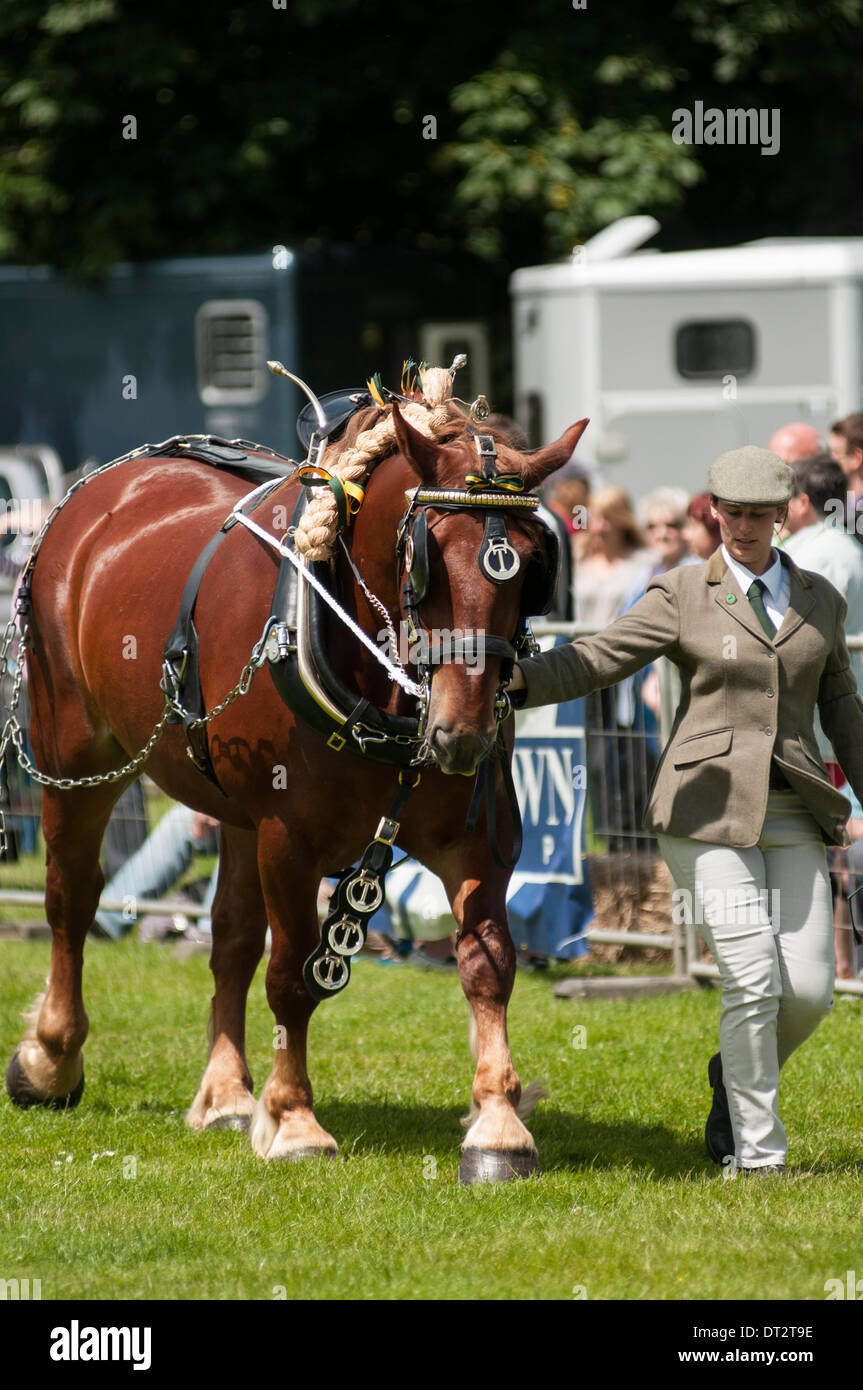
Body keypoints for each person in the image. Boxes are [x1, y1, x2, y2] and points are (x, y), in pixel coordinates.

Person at [508, 446, 863, 1176]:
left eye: (758, 514)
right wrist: (512, 681)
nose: (743, 527)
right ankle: (759, 1155)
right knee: (750, 977)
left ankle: (730, 1080)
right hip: (701, 811)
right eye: (730, 513)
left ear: (785, 513)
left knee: (806, 991)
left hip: (793, 806)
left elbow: (841, 707)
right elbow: (597, 657)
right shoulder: (680, 593)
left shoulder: (820, 598)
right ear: (713, 512)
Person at [782, 451, 863, 978]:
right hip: (827, 714)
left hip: (823, 717)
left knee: (841, 841)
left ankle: (842, 965)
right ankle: (840, 964)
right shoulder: (843, 546)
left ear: (803, 501)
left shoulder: (820, 552)